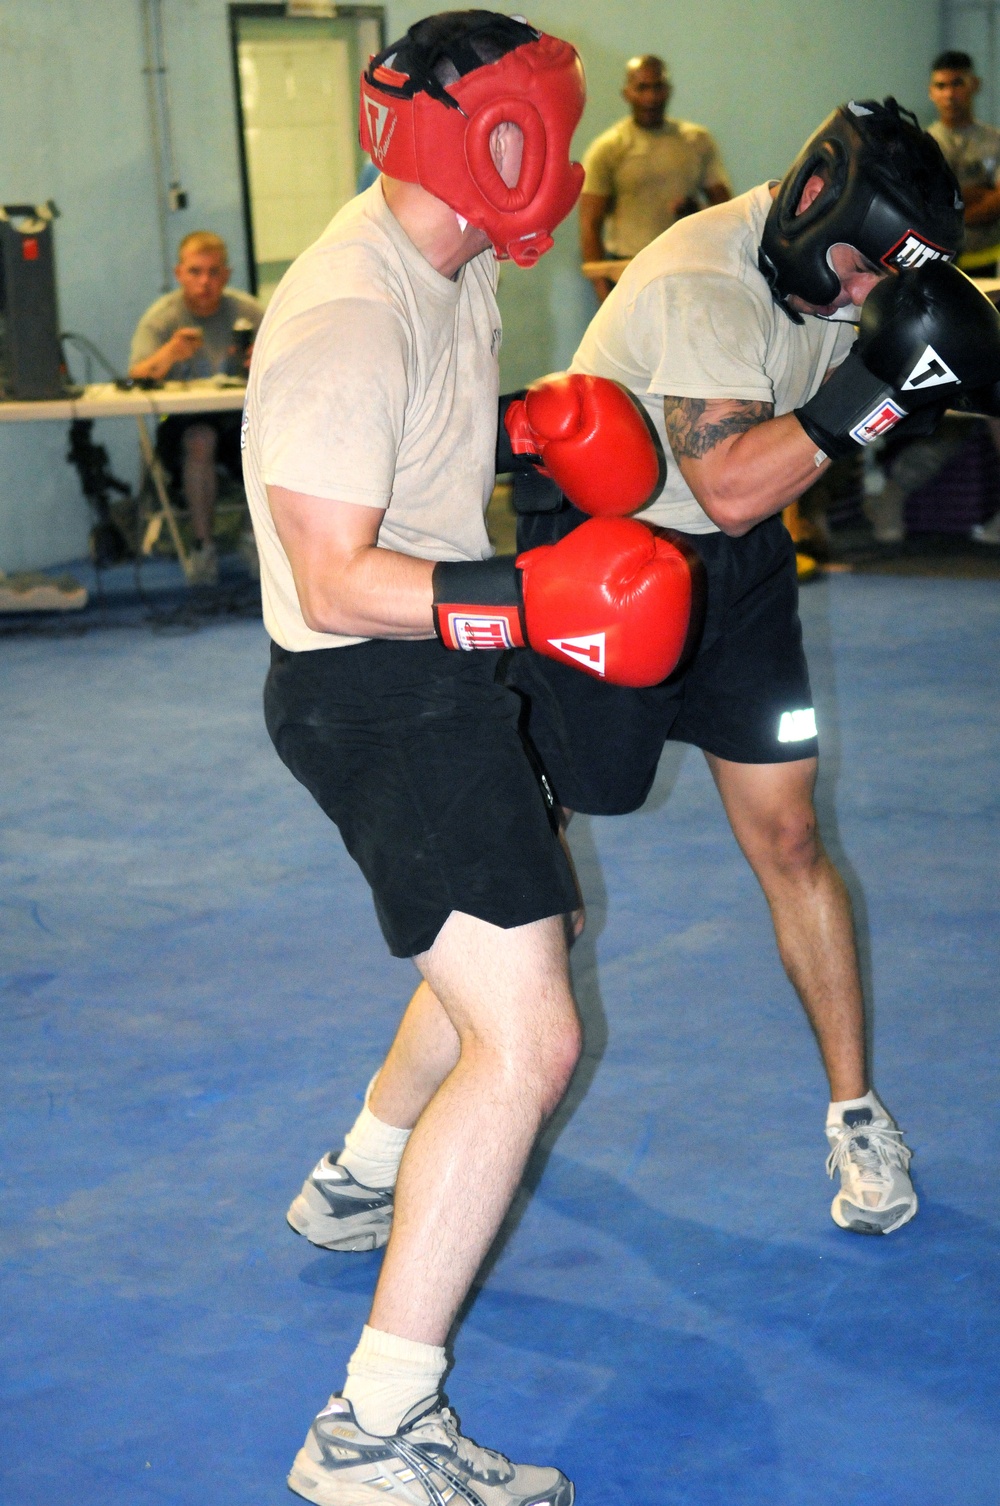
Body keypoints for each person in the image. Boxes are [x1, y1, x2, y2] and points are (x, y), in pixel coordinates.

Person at [242, 14, 695, 1504]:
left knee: (520, 944)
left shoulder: (460, 265)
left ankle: (358, 1175)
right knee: (535, 1038)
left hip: (435, 666)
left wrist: (526, 436)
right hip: (371, 688)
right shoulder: (344, 313)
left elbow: (418, 448)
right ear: (474, 134)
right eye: (540, 131)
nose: (559, 165)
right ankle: (371, 1426)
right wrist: (530, 601)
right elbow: (329, 575)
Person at [130, 231, 263, 583]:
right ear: (179, 274)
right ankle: (203, 546)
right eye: (195, 272)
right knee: (200, 440)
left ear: (227, 275)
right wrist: (168, 353)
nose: (205, 282)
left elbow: (294, 360)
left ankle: (255, 538)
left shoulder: (249, 312)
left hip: (238, 418)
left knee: (268, 438)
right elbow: (136, 375)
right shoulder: (162, 318)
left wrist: (264, 359)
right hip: (181, 422)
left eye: (213, 272)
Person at [578, 54, 731, 302]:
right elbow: (590, 223)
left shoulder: (697, 142)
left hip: (688, 271)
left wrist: (699, 212)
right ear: (627, 93)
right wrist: (603, 293)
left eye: (657, 87)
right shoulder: (608, 148)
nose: (650, 97)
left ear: (668, 91)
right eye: (642, 88)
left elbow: (727, 212)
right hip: (628, 272)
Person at [928, 50, 1000, 277]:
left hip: (991, 259)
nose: (949, 94)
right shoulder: (922, 145)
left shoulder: (994, 140)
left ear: (974, 85)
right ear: (931, 92)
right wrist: (981, 193)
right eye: (941, 86)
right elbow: (928, 205)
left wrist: (954, 208)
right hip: (940, 264)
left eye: (957, 83)